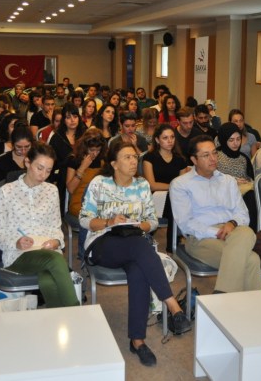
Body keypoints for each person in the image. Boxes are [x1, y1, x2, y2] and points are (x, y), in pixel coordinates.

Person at [80, 141, 191, 366]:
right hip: (103, 242)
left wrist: (141, 225)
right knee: (141, 248)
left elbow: (152, 221)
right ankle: (173, 306)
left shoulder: (142, 185)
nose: (133, 162)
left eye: (135, 157)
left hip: (134, 242)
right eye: (127, 157)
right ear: (114, 164)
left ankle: (137, 340)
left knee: (139, 269)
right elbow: (84, 219)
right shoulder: (99, 183)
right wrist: (109, 222)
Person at [0, 143, 80, 308]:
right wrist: (16, 242)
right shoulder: (7, 191)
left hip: (47, 251)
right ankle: (75, 311)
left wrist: (56, 241)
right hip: (19, 254)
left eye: (48, 170)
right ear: (27, 162)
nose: (43, 175)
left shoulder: (52, 191)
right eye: (39, 168)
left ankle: (56, 320)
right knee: (55, 260)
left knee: (48, 281)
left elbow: (56, 227)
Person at [170, 136, 261, 293]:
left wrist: (232, 224)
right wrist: (217, 232)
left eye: (214, 153)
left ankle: (223, 295)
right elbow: (186, 223)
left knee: (246, 231)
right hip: (201, 238)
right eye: (206, 155)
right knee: (252, 260)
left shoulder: (228, 181)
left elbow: (243, 214)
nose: (213, 159)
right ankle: (241, 302)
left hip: (234, 231)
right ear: (194, 159)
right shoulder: (181, 184)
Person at [142, 124, 190, 252]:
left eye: (172, 137)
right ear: (157, 140)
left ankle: (174, 243)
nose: (170, 141)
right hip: (154, 199)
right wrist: (173, 187)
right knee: (174, 199)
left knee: (175, 199)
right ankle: (172, 245)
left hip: (174, 198)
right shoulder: (149, 158)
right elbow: (152, 185)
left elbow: (183, 184)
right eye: (165, 138)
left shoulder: (180, 159)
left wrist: (175, 189)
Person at [66, 129, 107, 258]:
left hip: (98, 201)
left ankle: (104, 251)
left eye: (98, 150)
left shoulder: (102, 161)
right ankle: (84, 252)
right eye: (92, 150)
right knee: (89, 214)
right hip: (79, 203)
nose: (95, 153)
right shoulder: (74, 159)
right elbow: (70, 188)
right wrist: (82, 167)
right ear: (85, 148)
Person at [216, 123, 257, 229]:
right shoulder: (216, 156)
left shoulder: (244, 158)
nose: (235, 143)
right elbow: (211, 177)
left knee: (251, 195)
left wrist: (246, 182)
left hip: (244, 194)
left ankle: (252, 231)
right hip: (222, 193)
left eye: (238, 139)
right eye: (231, 140)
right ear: (224, 140)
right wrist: (232, 181)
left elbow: (251, 178)